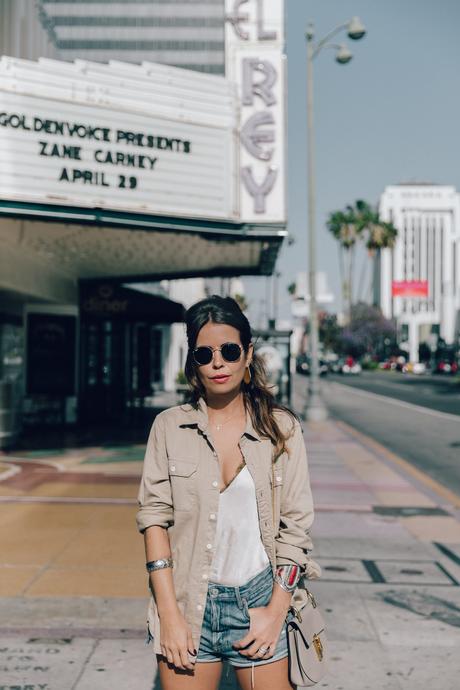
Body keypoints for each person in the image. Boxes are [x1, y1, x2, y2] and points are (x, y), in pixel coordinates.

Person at [136, 295, 319, 690]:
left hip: (258, 598)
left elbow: (296, 528)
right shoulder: (169, 427)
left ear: (247, 353)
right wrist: (169, 613)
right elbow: (154, 520)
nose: (217, 362)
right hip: (187, 601)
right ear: (193, 361)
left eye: (229, 350)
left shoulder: (281, 429)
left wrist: (275, 611)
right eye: (205, 354)